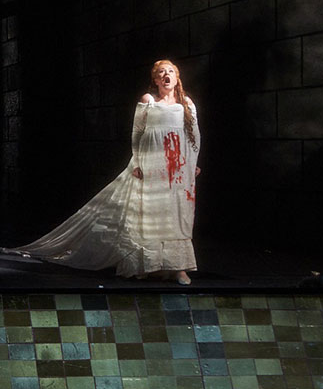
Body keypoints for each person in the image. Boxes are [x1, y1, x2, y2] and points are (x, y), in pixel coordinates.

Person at [12, 59, 201, 285]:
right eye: (161, 72)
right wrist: (138, 162)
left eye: (171, 71)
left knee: (177, 213)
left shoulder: (185, 103)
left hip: (177, 167)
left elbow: (194, 135)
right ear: (155, 79)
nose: (166, 75)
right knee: (151, 212)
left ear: (177, 77)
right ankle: (152, 265)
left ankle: (180, 268)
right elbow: (138, 133)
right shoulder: (148, 100)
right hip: (152, 164)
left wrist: (192, 162)